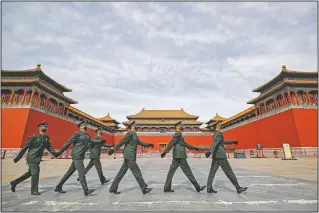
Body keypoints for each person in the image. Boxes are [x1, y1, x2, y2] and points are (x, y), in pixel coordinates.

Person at [10, 122, 58, 195]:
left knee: (30, 173)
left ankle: (14, 182)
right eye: (43, 127)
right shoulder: (34, 137)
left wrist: (56, 154)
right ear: (39, 128)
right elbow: (25, 147)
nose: (45, 128)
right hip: (32, 157)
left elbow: (49, 147)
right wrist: (18, 157)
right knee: (35, 173)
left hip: (37, 158)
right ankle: (34, 190)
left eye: (46, 127)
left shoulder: (46, 138)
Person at [108, 121, 154, 195]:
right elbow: (122, 141)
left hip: (129, 156)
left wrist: (148, 144)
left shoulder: (134, 134)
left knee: (121, 173)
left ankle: (112, 188)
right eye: (133, 126)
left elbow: (140, 142)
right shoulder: (129, 134)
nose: (135, 127)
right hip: (130, 156)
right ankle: (144, 188)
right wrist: (114, 149)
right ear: (131, 127)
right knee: (137, 172)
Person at [161, 121, 206, 193]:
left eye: (180, 125)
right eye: (179, 125)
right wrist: (165, 152)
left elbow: (184, 143)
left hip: (176, 155)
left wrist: (193, 147)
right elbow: (172, 142)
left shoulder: (178, 134)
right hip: (180, 155)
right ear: (176, 127)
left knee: (171, 172)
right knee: (188, 172)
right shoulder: (177, 134)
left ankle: (167, 188)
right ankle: (198, 187)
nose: (180, 126)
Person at [54, 121, 95, 196]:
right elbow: (68, 143)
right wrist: (59, 152)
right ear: (80, 126)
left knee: (69, 173)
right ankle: (86, 190)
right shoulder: (77, 134)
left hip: (81, 155)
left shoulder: (88, 135)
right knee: (82, 172)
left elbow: (91, 143)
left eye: (85, 124)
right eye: (83, 125)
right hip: (77, 155)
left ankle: (58, 186)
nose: (85, 125)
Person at [205, 123, 247, 194]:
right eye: (219, 125)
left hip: (216, 155)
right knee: (229, 171)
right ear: (217, 127)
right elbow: (215, 142)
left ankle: (209, 188)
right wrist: (210, 151)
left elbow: (220, 142)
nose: (220, 126)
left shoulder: (215, 134)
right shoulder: (219, 133)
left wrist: (232, 142)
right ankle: (238, 187)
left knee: (212, 172)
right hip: (221, 155)